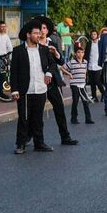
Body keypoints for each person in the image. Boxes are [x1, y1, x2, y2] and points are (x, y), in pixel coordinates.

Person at [11, 20, 57, 153]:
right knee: (24, 118)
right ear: (28, 34)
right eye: (36, 33)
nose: (39, 35)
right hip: (25, 90)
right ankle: (21, 144)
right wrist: (14, 90)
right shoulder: (18, 51)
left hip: (40, 89)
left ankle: (39, 143)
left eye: (39, 33)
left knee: (38, 118)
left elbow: (52, 64)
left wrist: (49, 73)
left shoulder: (44, 49)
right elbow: (14, 71)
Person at [39, 18, 78, 146]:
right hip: (38, 81)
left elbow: (61, 61)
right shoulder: (33, 45)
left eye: (44, 28)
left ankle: (65, 136)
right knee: (36, 111)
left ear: (47, 30)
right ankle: (31, 137)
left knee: (59, 108)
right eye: (40, 28)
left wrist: (56, 53)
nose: (42, 31)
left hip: (52, 81)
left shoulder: (52, 42)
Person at [64, 45, 94, 125]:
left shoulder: (85, 62)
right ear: (75, 54)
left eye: (82, 52)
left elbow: (85, 70)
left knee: (85, 101)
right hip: (74, 84)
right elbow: (62, 68)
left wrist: (84, 76)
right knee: (75, 101)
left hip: (82, 84)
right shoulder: (72, 62)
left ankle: (88, 119)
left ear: (84, 54)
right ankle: (73, 118)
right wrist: (69, 74)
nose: (80, 54)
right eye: (78, 52)